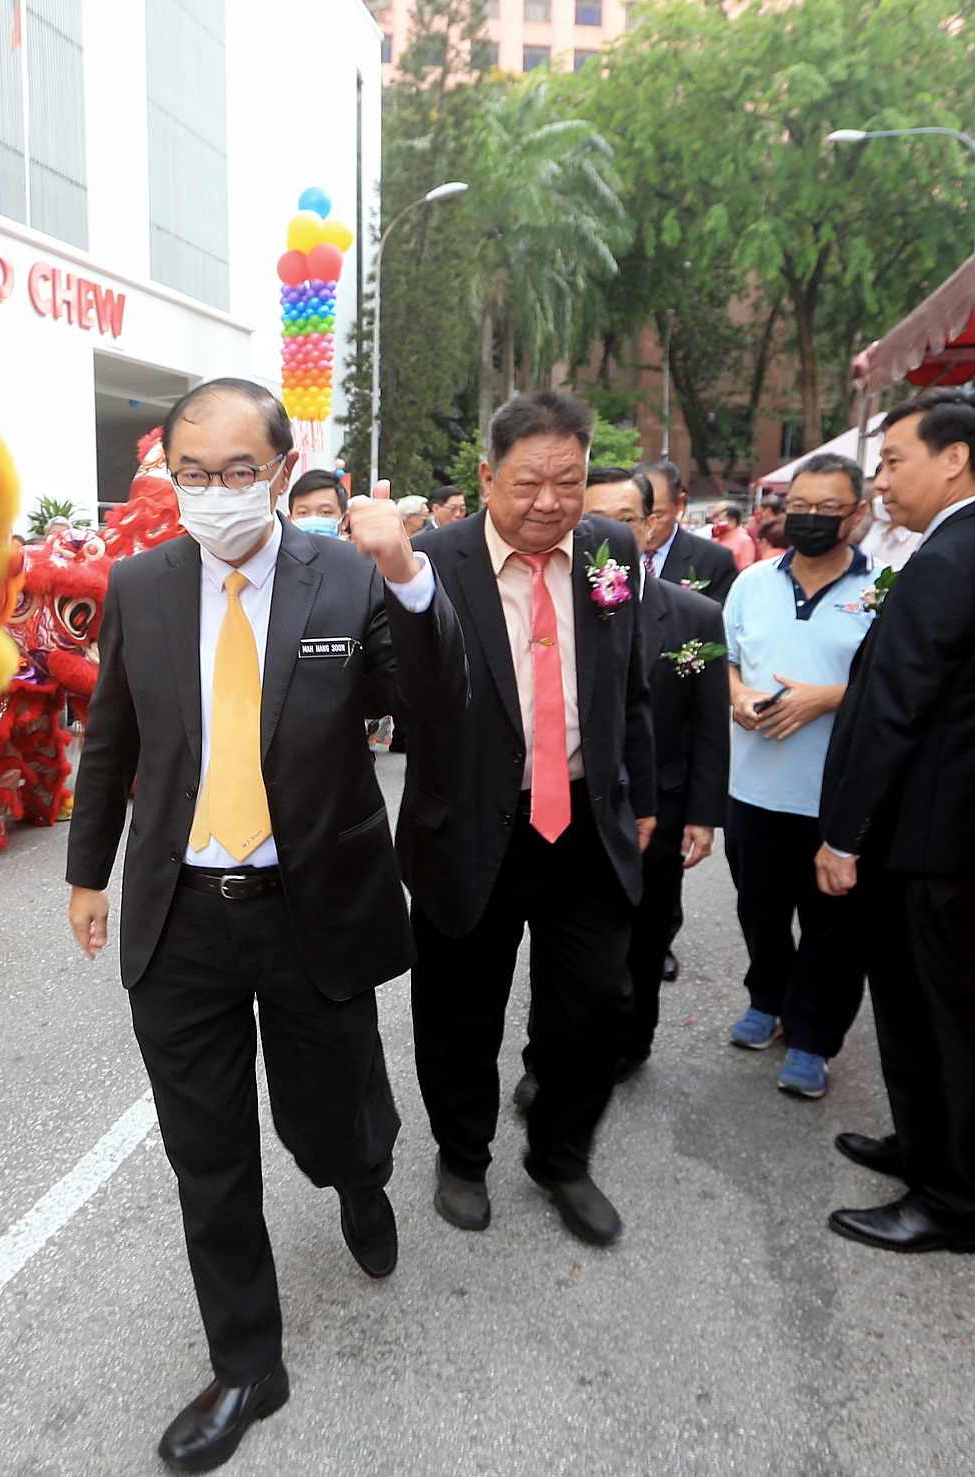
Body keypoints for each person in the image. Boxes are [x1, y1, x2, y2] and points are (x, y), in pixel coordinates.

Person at [66, 378, 465, 1472]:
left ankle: (360, 1174)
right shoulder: (140, 584)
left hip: (311, 906)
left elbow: (433, 705)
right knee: (207, 1151)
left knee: (324, 1113)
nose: (213, 495)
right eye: (190, 475)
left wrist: (408, 576)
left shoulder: (341, 573)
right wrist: (86, 872)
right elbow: (110, 740)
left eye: (236, 473)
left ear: (282, 471)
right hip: (181, 915)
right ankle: (248, 1360)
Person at [397, 392, 656, 1250]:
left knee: (595, 1004)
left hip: (584, 819)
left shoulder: (611, 551)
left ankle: (562, 1154)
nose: (550, 502)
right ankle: (463, 1153)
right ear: (486, 476)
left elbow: (632, 683)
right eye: (528, 483)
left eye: (570, 482)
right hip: (472, 821)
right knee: (460, 1005)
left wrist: (643, 798)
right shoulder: (430, 561)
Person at [817, 386, 975, 1255]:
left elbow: (893, 710)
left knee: (935, 1010)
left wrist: (843, 834)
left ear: (954, 459)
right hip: (948, 824)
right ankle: (921, 1146)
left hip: (925, 835)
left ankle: (952, 1201)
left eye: (893, 461)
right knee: (914, 1005)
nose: (881, 480)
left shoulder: (955, 558)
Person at [519, 467, 727, 1094]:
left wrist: (702, 813)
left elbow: (707, 723)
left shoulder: (693, 615)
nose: (607, 534)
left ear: (652, 523)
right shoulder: (548, 602)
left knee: (643, 941)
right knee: (565, 955)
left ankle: (630, 1045)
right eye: (593, 520)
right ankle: (546, 1065)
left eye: (626, 521)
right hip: (577, 808)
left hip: (655, 808)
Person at [719, 452, 879, 1101]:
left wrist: (829, 698)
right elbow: (727, 660)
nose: (809, 519)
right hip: (754, 784)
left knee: (833, 923)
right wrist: (735, 696)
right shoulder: (752, 582)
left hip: (835, 795)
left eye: (826, 510)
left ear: (858, 514)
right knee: (759, 906)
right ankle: (768, 998)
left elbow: (896, 687)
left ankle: (813, 1035)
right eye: (799, 508)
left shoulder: (883, 592)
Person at [634, 459, 737, 602]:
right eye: (635, 518)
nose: (648, 528)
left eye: (658, 516)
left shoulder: (714, 560)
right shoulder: (612, 554)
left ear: (679, 504)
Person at [286, 469, 347, 537]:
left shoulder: (355, 548)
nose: (313, 519)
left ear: (345, 520)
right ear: (289, 521)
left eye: (325, 512)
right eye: (303, 513)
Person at [710, 502, 758, 570]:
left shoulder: (744, 540)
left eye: (721, 521)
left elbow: (746, 566)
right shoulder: (716, 538)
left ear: (733, 522)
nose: (717, 524)